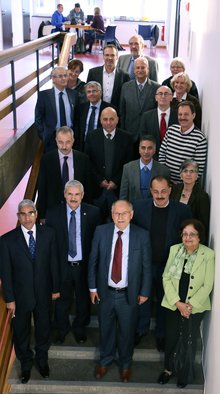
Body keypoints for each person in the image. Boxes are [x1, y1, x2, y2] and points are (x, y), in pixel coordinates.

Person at [88, 200, 151, 382]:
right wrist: (92, 287)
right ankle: (105, 360)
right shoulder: (101, 231)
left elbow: (146, 267)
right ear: (111, 214)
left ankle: (125, 364)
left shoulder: (142, 235)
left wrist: (145, 291)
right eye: (117, 213)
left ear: (131, 215)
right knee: (105, 329)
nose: (120, 217)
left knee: (127, 331)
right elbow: (93, 261)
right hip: (105, 292)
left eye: (124, 214)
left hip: (128, 294)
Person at [1, 199, 60, 384]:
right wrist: (9, 298)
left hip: (44, 293)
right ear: (18, 216)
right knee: (21, 331)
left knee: (44, 328)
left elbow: (54, 264)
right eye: (23, 214)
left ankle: (42, 361)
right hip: (20, 297)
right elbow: (6, 272)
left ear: (36, 213)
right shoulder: (7, 240)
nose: (27, 218)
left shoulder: (49, 234)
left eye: (31, 213)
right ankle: (26, 364)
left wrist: (56, 288)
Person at [133, 176, 192, 350]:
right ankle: (141, 330)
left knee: (165, 301)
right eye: (156, 191)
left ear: (170, 190)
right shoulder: (139, 207)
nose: (160, 195)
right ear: (150, 191)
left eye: (163, 191)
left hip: (170, 266)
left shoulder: (183, 210)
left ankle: (161, 334)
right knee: (143, 298)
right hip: (145, 264)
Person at [158, 219, 214, 388]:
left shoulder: (208, 254)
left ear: (199, 236)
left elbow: (208, 284)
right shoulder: (175, 250)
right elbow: (166, 277)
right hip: (173, 303)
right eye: (185, 234)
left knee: (189, 338)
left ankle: (184, 371)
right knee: (172, 337)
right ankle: (168, 369)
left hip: (195, 307)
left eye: (192, 234)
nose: (188, 237)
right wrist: (178, 303)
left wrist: (189, 305)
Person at [46, 180, 100, 344]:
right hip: (63, 266)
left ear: (82, 195)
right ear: (65, 194)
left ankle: (79, 329)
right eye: (70, 194)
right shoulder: (53, 213)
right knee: (63, 300)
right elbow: (50, 244)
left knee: (83, 300)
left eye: (77, 194)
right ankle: (61, 329)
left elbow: (97, 242)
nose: (73, 198)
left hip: (83, 266)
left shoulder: (93, 212)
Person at [84, 107, 133, 221]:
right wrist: (99, 181)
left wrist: (116, 181)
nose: (108, 122)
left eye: (112, 119)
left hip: (117, 190)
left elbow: (129, 163)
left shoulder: (127, 138)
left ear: (117, 119)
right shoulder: (92, 136)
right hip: (97, 190)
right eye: (105, 119)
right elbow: (88, 162)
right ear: (100, 120)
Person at [37, 126, 91, 222]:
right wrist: (42, 215)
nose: (64, 146)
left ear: (73, 141)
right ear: (56, 141)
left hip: (77, 209)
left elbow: (87, 186)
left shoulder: (83, 159)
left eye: (68, 142)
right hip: (53, 210)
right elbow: (42, 188)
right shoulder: (47, 160)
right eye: (61, 142)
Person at [159, 101, 207, 183]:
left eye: (186, 114)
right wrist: (166, 178)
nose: (182, 117)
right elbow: (162, 154)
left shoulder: (200, 139)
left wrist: (180, 184)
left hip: (185, 185)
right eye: (180, 114)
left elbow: (198, 169)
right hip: (166, 182)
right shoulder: (171, 130)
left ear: (193, 115)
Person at [35, 66, 79, 151]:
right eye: (60, 76)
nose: (64, 78)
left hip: (70, 136)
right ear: (53, 79)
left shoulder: (74, 94)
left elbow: (77, 117)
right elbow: (38, 118)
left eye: (65, 76)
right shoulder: (44, 96)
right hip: (52, 138)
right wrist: (44, 135)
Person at [119, 57, 160, 149]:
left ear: (148, 70)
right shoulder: (125, 87)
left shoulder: (156, 87)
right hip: (130, 133)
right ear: (134, 70)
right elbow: (122, 112)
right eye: (137, 68)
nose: (140, 70)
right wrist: (123, 131)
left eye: (143, 67)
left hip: (149, 133)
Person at [120, 135, 170, 203]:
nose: (146, 151)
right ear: (139, 150)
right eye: (143, 148)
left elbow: (166, 197)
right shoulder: (128, 168)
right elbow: (123, 196)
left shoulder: (164, 171)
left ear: (154, 150)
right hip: (134, 211)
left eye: (149, 148)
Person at [171, 159, 210, 243]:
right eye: (185, 171)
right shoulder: (173, 189)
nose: (188, 174)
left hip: (190, 238)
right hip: (172, 234)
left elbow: (203, 224)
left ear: (197, 176)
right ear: (181, 175)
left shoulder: (202, 196)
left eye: (192, 171)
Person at [74, 81, 115, 151]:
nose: (91, 94)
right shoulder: (80, 108)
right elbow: (77, 129)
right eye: (88, 92)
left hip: (102, 146)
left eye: (94, 91)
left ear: (101, 92)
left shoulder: (110, 109)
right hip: (83, 146)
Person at [87, 44, 130, 110]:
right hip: (97, 111)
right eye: (107, 55)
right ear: (103, 56)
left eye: (112, 55)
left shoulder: (124, 76)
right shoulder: (93, 73)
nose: (109, 58)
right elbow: (88, 93)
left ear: (117, 57)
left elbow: (126, 98)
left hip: (116, 112)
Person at [139, 86, 178, 158]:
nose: (163, 96)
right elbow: (143, 138)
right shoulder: (146, 116)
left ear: (171, 97)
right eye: (160, 94)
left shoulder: (178, 116)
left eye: (166, 94)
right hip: (152, 157)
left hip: (173, 157)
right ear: (156, 98)